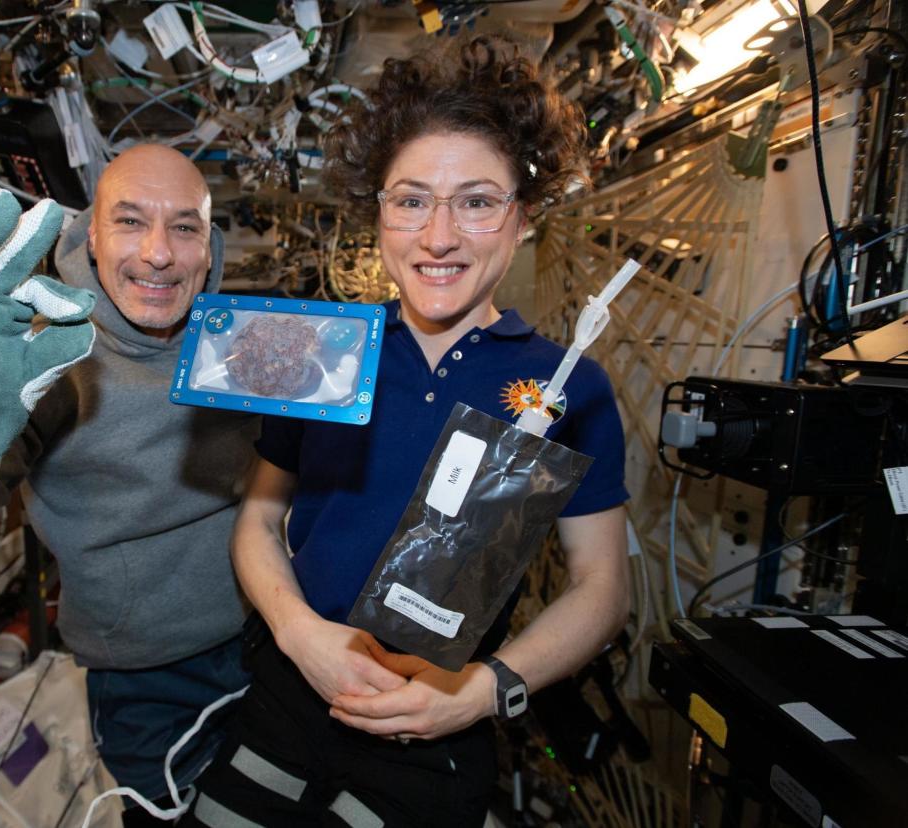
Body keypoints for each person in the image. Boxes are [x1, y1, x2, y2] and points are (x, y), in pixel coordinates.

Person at [183, 37, 630, 827]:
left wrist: (486, 691)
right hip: (289, 697)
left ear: (521, 218)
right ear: (380, 214)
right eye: (412, 199)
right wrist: (299, 635)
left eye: (477, 200)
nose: (439, 236)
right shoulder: (315, 348)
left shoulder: (568, 388)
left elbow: (601, 588)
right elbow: (257, 518)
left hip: (439, 726)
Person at [0, 145, 257, 820]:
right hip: (148, 675)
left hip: (267, 634)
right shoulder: (47, 363)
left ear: (209, 247)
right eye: (130, 222)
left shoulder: (236, 336)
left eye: (185, 227)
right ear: (89, 234)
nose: (159, 253)